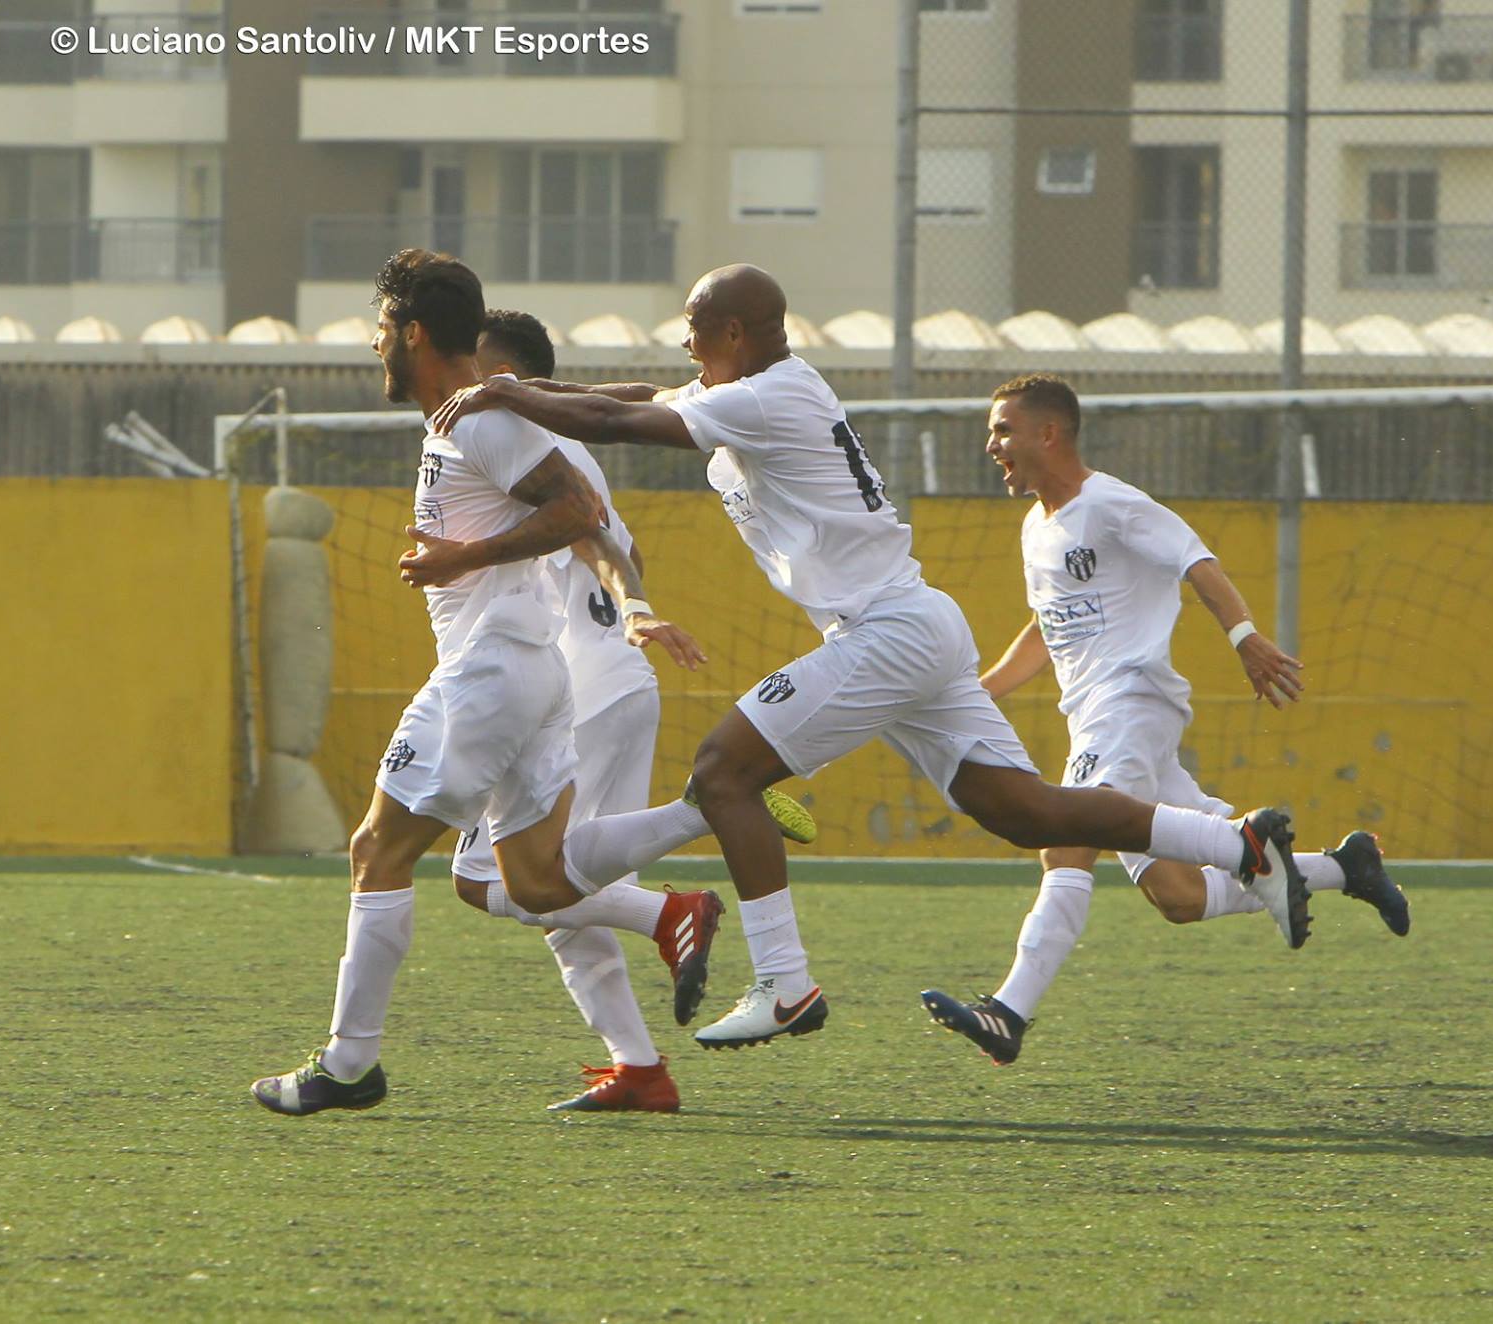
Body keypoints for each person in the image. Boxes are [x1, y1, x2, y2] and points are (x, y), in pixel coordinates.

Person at [429, 263, 1313, 1052]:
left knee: (723, 773)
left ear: (732, 332)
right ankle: (1237, 844)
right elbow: (636, 393)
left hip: (886, 632)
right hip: (913, 626)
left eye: (694, 329)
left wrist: (502, 396)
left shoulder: (765, 399)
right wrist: (524, 388)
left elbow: (614, 420)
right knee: (1029, 813)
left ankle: (785, 984)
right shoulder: (758, 385)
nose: (685, 345)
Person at [248, 251, 753, 1117]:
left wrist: (465, 557)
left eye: (380, 328)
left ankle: (349, 1063)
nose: (374, 345)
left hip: (489, 671)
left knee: (377, 851)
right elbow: (588, 481)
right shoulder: (469, 419)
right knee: (533, 884)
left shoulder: (479, 423)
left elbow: (581, 512)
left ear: (413, 333)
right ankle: (697, 845)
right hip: (534, 673)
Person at [919, 374, 1409, 1064]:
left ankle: (1008, 1012)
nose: (991, 444)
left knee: (1064, 839)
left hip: (1130, 701)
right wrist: (980, 693)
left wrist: (1245, 638)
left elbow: (1196, 560)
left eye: (1003, 430)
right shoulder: (1036, 527)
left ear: (1048, 433)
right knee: (1178, 896)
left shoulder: (1111, 503)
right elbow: (1046, 627)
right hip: (1098, 717)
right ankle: (1343, 867)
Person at [443, 309, 816, 1113]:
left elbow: (592, 540)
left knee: (483, 877)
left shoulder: (515, 443)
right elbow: (624, 538)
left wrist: (634, 606)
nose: (461, 386)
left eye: (475, 371)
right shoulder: (558, 437)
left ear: (497, 376)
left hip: (572, 691)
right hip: (619, 682)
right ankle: (639, 1069)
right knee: (565, 899)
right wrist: (636, 610)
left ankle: (683, 870)